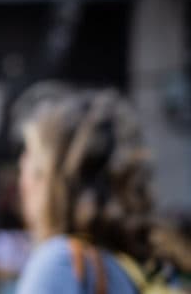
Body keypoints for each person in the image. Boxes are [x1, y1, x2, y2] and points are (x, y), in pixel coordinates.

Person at [16, 89, 176, 293]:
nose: (22, 181)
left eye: (29, 158)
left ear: (50, 182)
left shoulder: (59, 264)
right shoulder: (137, 269)